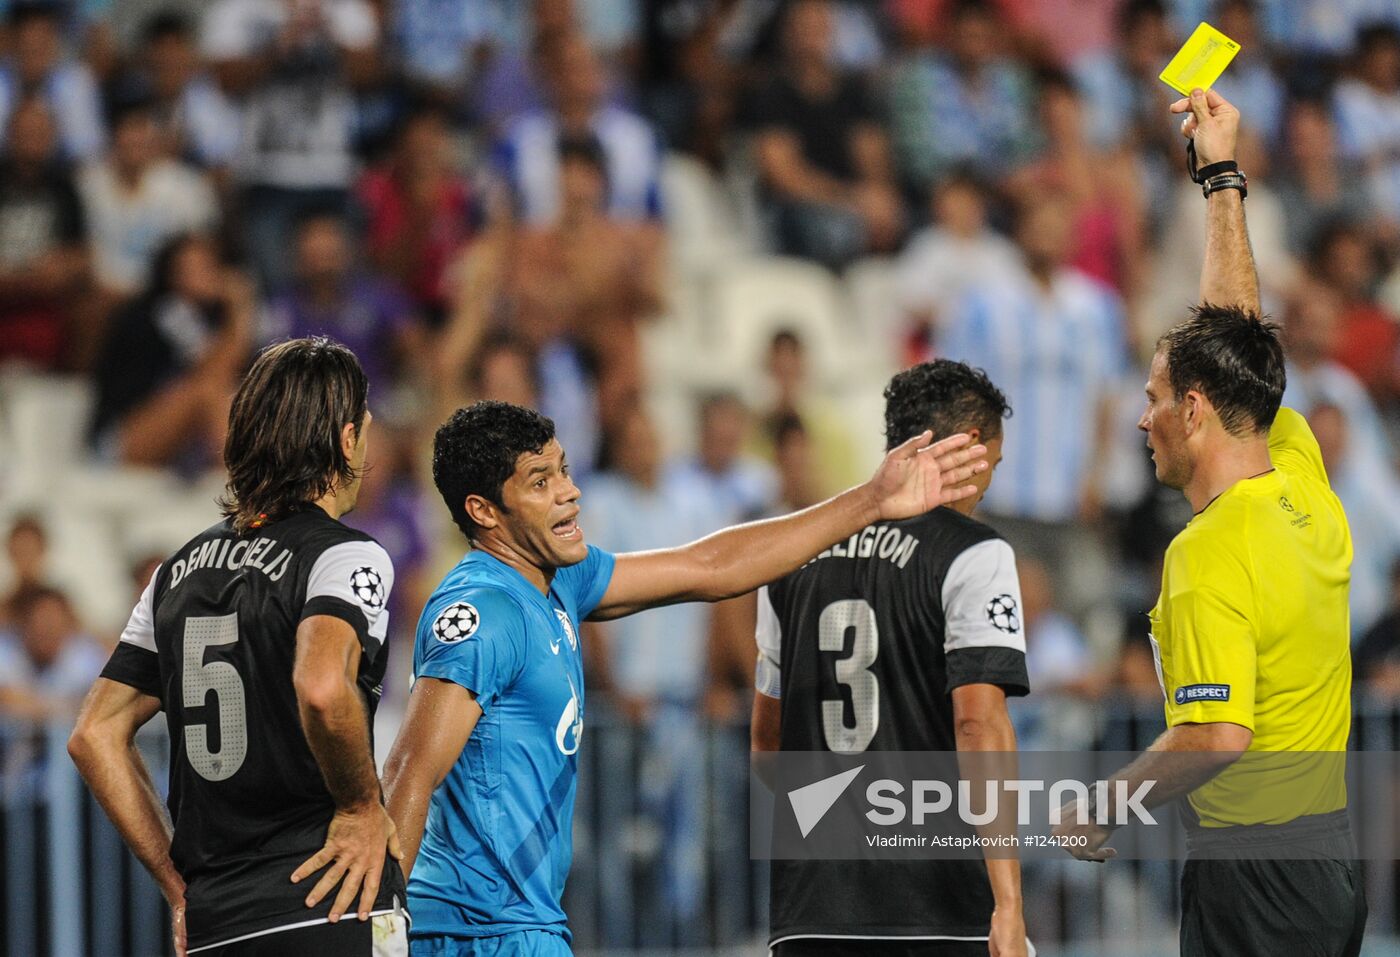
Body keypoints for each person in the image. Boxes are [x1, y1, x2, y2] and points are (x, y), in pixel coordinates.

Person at [381, 400, 990, 953]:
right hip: (471, 929)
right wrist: (383, 927)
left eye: (564, 470)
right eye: (541, 483)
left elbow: (709, 566)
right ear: (484, 510)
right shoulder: (485, 612)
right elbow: (411, 768)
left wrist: (870, 503)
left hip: (522, 923)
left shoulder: (558, 578)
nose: (569, 493)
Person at [1053, 89, 1367, 957]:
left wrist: (1103, 804)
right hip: (1329, 860)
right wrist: (1220, 176)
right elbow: (1236, 339)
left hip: (1252, 879)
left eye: (1153, 400)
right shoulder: (1302, 475)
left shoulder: (1205, 550)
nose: (1139, 417)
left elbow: (1217, 735)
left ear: (1193, 412)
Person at [68, 338, 409, 956]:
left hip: (216, 921)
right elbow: (323, 686)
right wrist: (361, 807)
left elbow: (94, 734)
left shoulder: (177, 571)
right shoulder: (344, 555)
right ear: (345, 439)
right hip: (333, 899)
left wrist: (175, 884)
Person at [751, 359, 1031, 957]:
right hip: (934, 906)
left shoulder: (792, 554)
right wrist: (1008, 903)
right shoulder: (975, 554)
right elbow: (978, 722)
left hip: (809, 910)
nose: (989, 485)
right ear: (972, 448)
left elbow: (768, 748)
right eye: (995, 466)